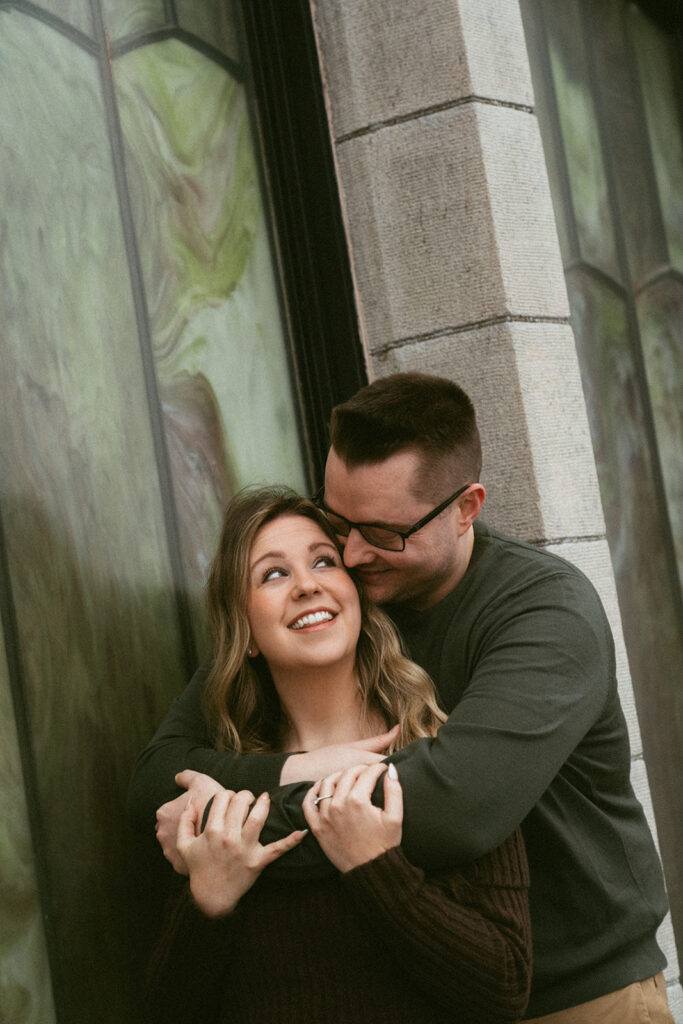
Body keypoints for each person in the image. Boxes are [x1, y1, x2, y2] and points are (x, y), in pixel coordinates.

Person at [129, 373, 674, 1022]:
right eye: (339, 522)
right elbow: (153, 782)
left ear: (466, 507)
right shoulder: (341, 600)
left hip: (578, 991)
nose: (352, 553)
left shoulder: (543, 614)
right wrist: (299, 768)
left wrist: (228, 835)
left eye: (384, 532)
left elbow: (449, 810)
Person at [144, 486, 532, 1024]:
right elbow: (170, 1009)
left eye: (324, 562)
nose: (307, 585)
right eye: (273, 574)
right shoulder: (222, 804)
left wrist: (376, 868)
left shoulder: (441, 754)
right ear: (246, 633)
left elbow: (505, 987)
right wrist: (208, 905)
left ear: (356, 595)